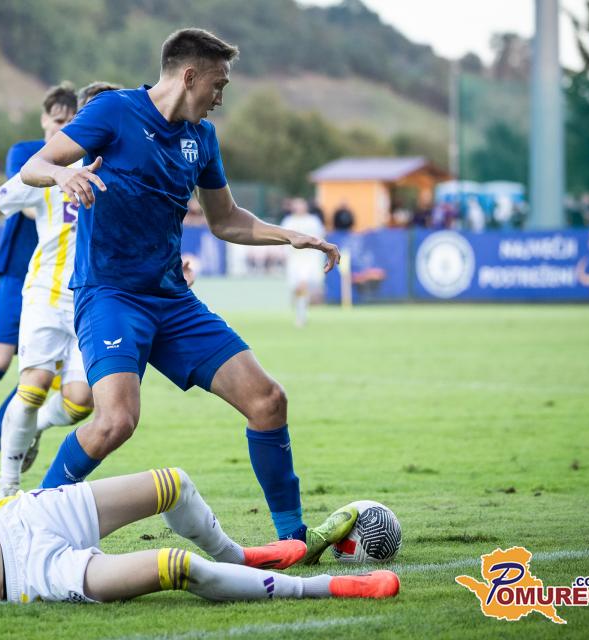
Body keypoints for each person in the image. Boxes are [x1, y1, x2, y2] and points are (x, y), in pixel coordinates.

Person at [0, 341, 399, 618]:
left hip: (18, 517)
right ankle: (329, 587)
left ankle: (243, 556)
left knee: (172, 483)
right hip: (27, 576)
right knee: (176, 567)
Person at [20, 28, 346, 562]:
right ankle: (29, 523)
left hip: (172, 300)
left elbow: (226, 219)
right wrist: (60, 175)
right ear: (189, 76)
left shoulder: (203, 138)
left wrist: (289, 235)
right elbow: (33, 166)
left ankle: (294, 539)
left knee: (268, 401)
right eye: (218, 84)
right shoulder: (114, 111)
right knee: (115, 422)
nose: (220, 97)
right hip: (110, 296)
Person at [0, 82, 123, 500]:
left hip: (95, 301)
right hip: (47, 293)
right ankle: (8, 491)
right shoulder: (51, 167)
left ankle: (37, 427)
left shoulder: (129, 170)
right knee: (31, 387)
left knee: (81, 402)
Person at [281, 198, 326, 327]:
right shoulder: (288, 221)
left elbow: (320, 238)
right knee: (297, 288)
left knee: (304, 285)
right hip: (294, 259)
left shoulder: (313, 221)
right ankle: (300, 312)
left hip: (309, 258)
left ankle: (302, 316)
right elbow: (283, 239)